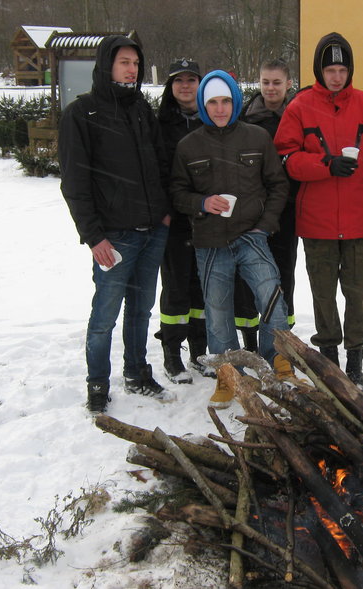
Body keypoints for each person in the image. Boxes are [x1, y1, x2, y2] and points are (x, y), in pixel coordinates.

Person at [274, 32, 363, 393]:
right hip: (317, 222)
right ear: (319, 70)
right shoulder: (299, 107)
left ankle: (355, 361)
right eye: (330, 69)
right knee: (323, 294)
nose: (336, 77)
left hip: (360, 221)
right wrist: (326, 164)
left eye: (342, 69)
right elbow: (288, 159)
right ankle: (329, 358)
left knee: (360, 293)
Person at [59, 35, 173, 413]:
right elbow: (75, 183)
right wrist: (94, 237)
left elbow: (159, 164)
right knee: (105, 315)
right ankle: (97, 382)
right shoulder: (82, 114)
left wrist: (165, 210)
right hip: (114, 237)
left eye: (136, 64)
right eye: (124, 62)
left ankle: (138, 372)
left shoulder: (140, 107)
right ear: (107, 64)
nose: (131, 69)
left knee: (141, 310)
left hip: (152, 229)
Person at [170, 69, 293, 409]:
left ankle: (278, 361)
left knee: (271, 297)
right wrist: (201, 203)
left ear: (235, 102)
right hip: (210, 243)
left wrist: (264, 226)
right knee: (218, 310)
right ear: (203, 105)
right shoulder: (188, 146)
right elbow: (178, 192)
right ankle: (229, 374)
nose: (220, 108)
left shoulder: (256, 138)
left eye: (226, 101)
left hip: (252, 237)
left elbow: (278, 185)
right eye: (212, 102)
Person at [153, 58, 210, 384]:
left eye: (192, 80)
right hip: (173, 221)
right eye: (179, 81)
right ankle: (172, 355)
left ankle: (198, 352)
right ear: (170, 87)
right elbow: (154, 171)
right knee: (175, 289)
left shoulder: (211, 120)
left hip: (207, 219)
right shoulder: (158, 124)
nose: (186, 86)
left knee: (202, 288)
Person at [234, 58, 298, 345]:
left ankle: (283, 340)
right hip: (251, 211)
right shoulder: (244, 116)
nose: (271, 88)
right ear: (258, 83)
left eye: (277, 82)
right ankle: (250, 340)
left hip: (288, 211)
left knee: (284, 275)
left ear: (288, 84)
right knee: (248, 277)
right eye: (265, 82)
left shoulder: (298, 115)